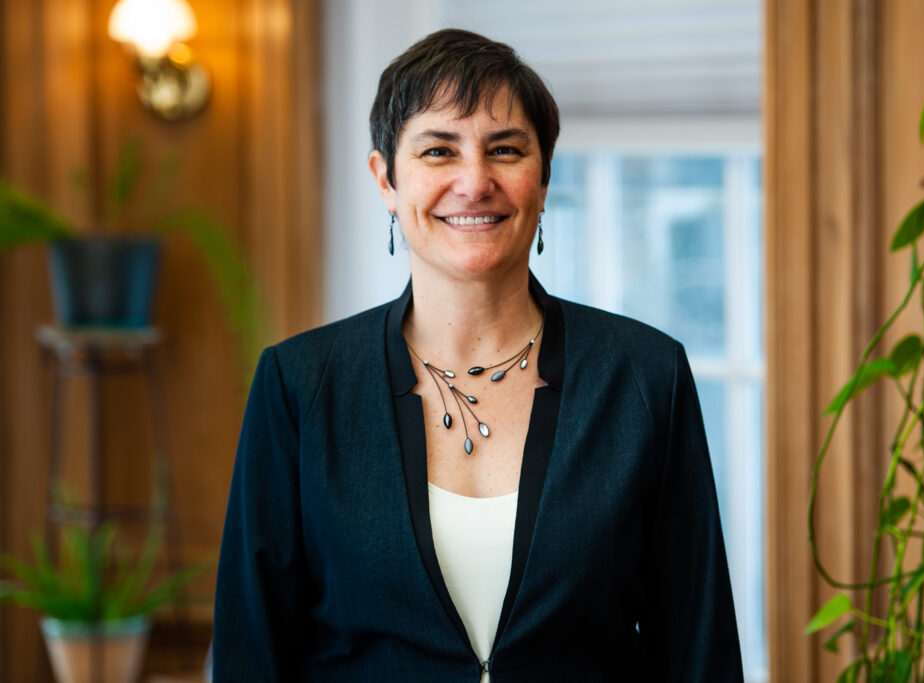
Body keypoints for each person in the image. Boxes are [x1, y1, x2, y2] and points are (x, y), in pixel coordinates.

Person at [213, 28, 742, 682]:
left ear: (543, 179)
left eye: (506, 149)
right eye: (439, 150)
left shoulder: (645, 376)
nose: (475, 180)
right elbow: (250, 656)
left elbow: (700, 651)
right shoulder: (298, 385)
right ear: (385, 178)